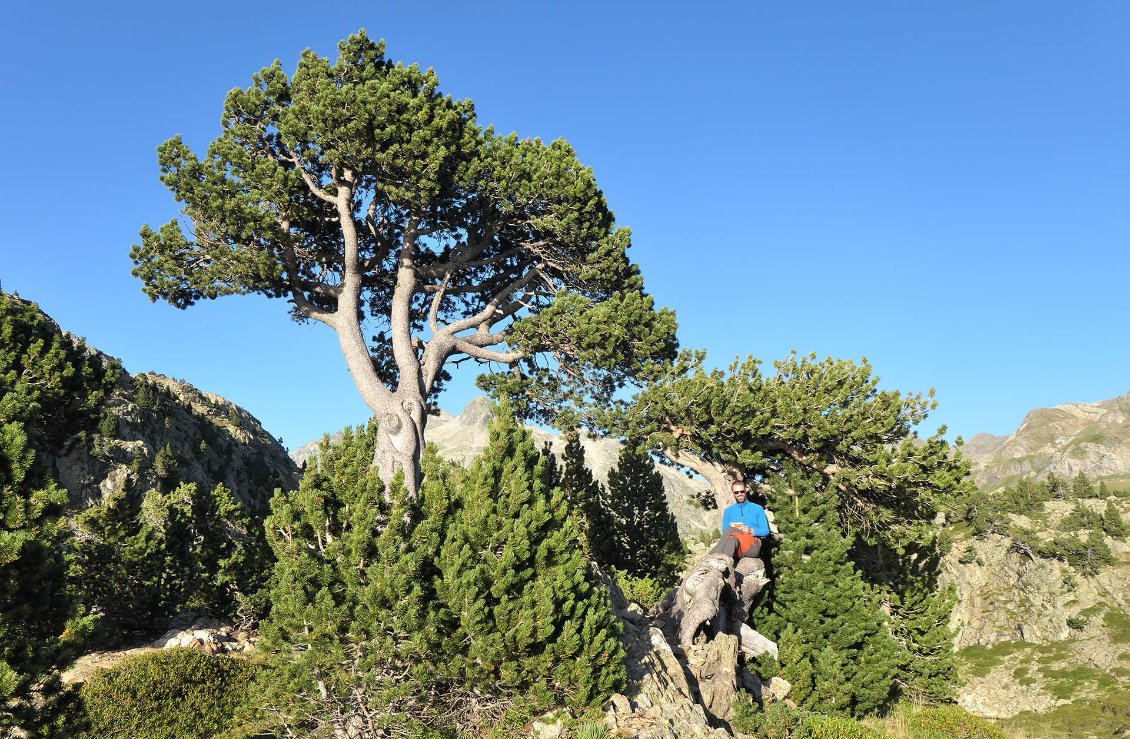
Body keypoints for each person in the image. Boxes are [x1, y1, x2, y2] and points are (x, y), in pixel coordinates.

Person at [710, 479, 770, 560]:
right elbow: (725, 532)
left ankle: (711, 556)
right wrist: (737, 530)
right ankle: (723, 563)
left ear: (745, 491)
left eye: (742, 491)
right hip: (737, 548)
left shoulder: (757, 508)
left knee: (730, 529)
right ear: (733, 493)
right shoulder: (728, 511)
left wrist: (751, 530)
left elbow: (765, 531)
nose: (739, 494)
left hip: (752, 546)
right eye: (736, 492)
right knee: (732, 539)